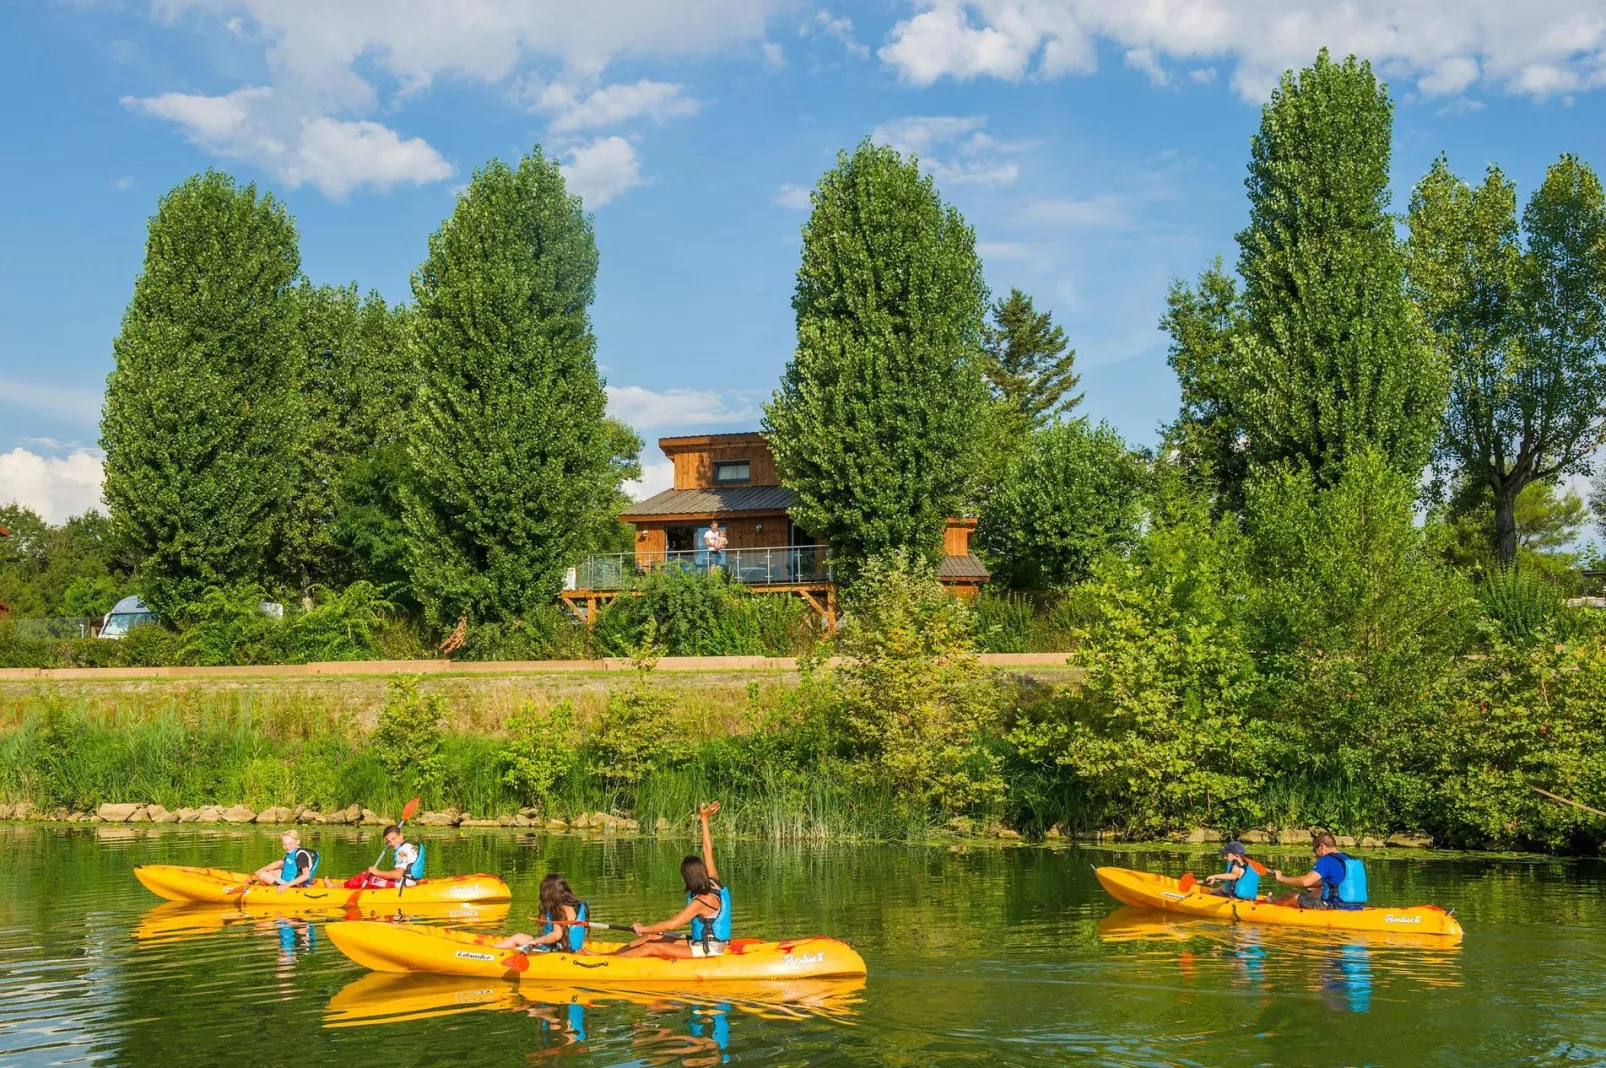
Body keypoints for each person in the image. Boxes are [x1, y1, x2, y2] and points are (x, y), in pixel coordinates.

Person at [617, 802, 729, 959]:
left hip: (710, 949)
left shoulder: (702, 901)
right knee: (651, 938)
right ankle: (607, 956)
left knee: (651, 947)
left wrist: (643, 928)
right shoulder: (713, 880)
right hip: (699, 942)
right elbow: (707, 849)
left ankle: (607, 964)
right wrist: (703, 819)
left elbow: (671, 924)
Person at [1270, 832, 1368, 910]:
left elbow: (1305, 882)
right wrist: (1312, 886)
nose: (1315, 855)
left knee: (1290, 894)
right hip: (1358, 906)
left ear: (1321, 846)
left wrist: (1282, 878)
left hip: (1336, 907)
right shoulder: (1350, 859)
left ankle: (1271, 903)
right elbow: (1336, 883)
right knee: (1316, 892)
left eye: (1315, 851)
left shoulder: (1327, 859)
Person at [495, 873, 590, 954]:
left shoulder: (558, 908)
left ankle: (491, 953)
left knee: (516, 940)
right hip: (572, 949)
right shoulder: (576, 905)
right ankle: (494, 951)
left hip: (557, 950)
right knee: (519, 937)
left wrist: (537, 941)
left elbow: (557, 935)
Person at [345, 825, 424, 889]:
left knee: (364, 878)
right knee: (367, 874)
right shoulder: (409, 845)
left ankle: (334, 889)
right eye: (389, 841)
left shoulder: (402, 851)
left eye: (394, 839)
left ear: (401, 835)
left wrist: (377, 872)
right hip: (408, 880)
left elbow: (398, 875)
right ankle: (342, 885)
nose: (392, 843)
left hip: (402, 883)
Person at [251, 830, 320, 892]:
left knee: (262, 874)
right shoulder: (293, 852)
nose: (287, 847)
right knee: (273, 872)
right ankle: (265, 883)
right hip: (291, 879)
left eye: (290, 843)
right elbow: (278, 863)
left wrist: (286, 885)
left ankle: (263, 889)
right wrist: (259, 870)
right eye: (284, 844)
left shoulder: (301, 855)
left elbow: (306, 875)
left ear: (298, 841)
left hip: (294, 884)